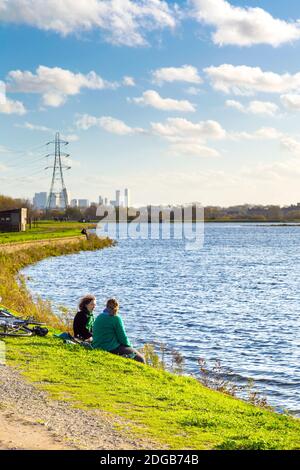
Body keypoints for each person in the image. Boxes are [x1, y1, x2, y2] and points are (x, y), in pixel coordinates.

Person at [92, 299, 145, 364]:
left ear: (106, 306)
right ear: (117, 308)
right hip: (110, 348)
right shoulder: (116, 318)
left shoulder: (99, 316)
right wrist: (130, 346)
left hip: (97, 346)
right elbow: (123, 338)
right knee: (141, 359)